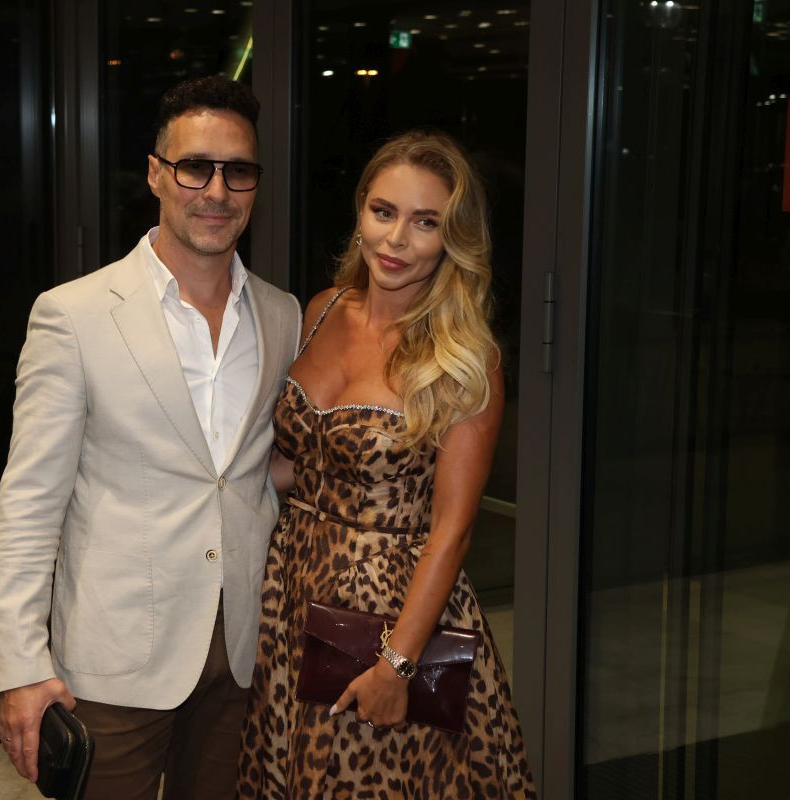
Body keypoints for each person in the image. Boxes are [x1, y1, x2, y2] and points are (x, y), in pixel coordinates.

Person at [0, 75, 302, 800]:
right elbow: (30, 503)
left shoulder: (282, 316)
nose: (216, 191)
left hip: (241, 653)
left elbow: (251, 470)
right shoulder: (73, 315)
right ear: (156, 174)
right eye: (195, 167)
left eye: (238, 171)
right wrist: (21, 666)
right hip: (114, 659)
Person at [237, 130, 537, 799]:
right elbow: (299, 466)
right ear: (361, 212)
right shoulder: (322, 311)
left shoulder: (465, 358)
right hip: (288, 594)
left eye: (425, 222)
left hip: (387, 619)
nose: (397, 239)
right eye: (384, 212)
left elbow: (453, 531)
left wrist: (396, 665)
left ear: (452, 239)